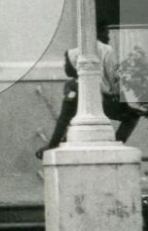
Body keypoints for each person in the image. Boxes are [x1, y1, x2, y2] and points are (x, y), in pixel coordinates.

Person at [37, 26, 141, 156]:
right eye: (106, 34)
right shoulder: (106, 49)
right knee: (133, 115)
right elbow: (114, 78)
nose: (108, 37)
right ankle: (116, 143)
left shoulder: (72, 52)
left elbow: (68, 72)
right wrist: (121, 97)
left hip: (75, 88)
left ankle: (54, 145)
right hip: (99, 97)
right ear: (97, 34)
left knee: (65, 118)